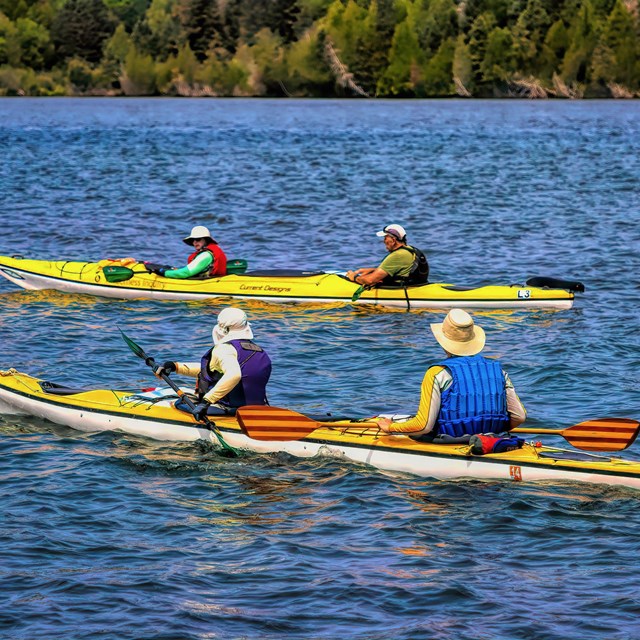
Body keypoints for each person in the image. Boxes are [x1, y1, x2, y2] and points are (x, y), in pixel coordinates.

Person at [377, 308, 526, 441]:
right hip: (493, 440)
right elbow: (519, 416)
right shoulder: (499, 371)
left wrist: (390, 427)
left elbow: (423, 425)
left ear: (443, 342)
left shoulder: (437, 373)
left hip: (450, 441)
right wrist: (492, 431)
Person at [154, 307, 271, 419]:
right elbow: (212, 371)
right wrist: (176, 367)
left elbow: (234, 375)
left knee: (181, 402)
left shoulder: (224, 349)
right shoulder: (259, 352)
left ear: (222, 329)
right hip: (255, 408)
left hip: (228, 409)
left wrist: (206, 402)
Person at [345, 224, 429, 288]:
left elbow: (370, 280)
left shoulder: (397, 255)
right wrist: (373, 270)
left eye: (385, 238)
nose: (383, 241)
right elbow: (401, 270)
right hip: (417, 285)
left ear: (393, 240)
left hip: (404, 289)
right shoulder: (410, 250)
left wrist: (354, 277)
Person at [146, 225, 227, 278]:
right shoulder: (209, 252)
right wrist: (173, 269)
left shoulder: (206, 255)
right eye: (193, 240)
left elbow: (186, 273)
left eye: (198, 239)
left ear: (206, 240)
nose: (195, 242)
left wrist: (164, 273)